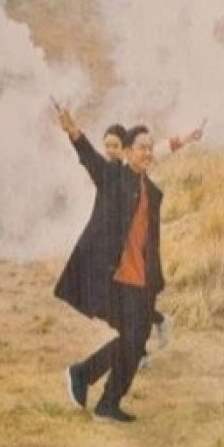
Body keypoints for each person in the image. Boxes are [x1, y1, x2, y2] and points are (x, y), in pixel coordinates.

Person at [54, 106, 166, 423]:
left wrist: (156, 282)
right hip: (116, 278)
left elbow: (150, 244)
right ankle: (93, 385)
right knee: (132, 339)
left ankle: (101, 395)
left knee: (135, 341)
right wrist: (73, 132)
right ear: (128, 152)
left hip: (143, 282)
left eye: (149, 147)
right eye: (141, 147)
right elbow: (91, 159)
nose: (147, 152)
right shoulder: (114, 177)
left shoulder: (154, 193)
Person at [102, 121, 203, 362]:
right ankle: (152, 328)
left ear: (125, 149)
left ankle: (140, 348)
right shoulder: (106, 171)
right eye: (107, 146)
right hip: (114, 253)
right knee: (116, 306)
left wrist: (186, 138)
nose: (111, 151)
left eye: (115, 146)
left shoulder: (136, 167)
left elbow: (160, 150)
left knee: (133, 304)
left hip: (137, 254)